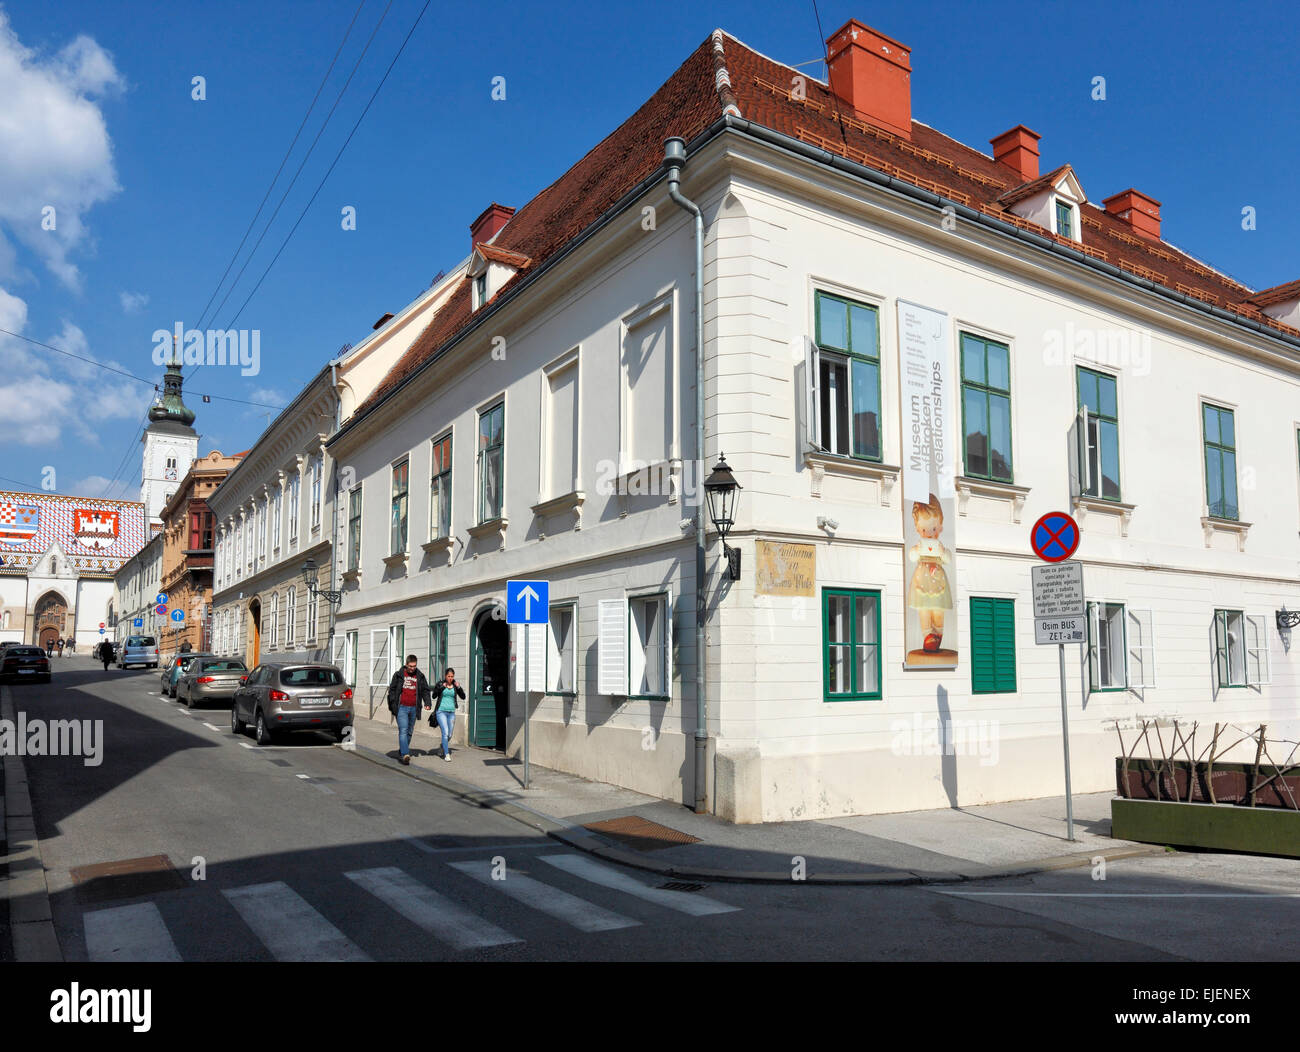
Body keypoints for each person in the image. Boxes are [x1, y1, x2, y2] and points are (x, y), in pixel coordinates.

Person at [386, 654, 431, 765]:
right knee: (403, 730)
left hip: (414, 708)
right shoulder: (399, 675)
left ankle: (402, 751)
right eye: (410, 666)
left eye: (414, 666)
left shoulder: (420, 676)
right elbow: (392, 690)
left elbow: (425, 690)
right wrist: (393, 703)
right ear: (406, 665)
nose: (412, 668)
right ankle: (405, 754)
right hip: (402, 707)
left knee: (410, 732)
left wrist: (427, 702)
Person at [431, 667, 466, 760]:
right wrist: (442, 687)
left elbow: (463, 697)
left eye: (452, 676)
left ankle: (442, 747)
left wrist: (459, 687)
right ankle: (447, 754)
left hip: (451, 713)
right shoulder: (440, 684)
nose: (450, 678)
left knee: (449, 735)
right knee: (445, 733)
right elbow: (434, 695)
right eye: (448, 676)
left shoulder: (455, 685)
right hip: (441, 711)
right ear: (445, 676)